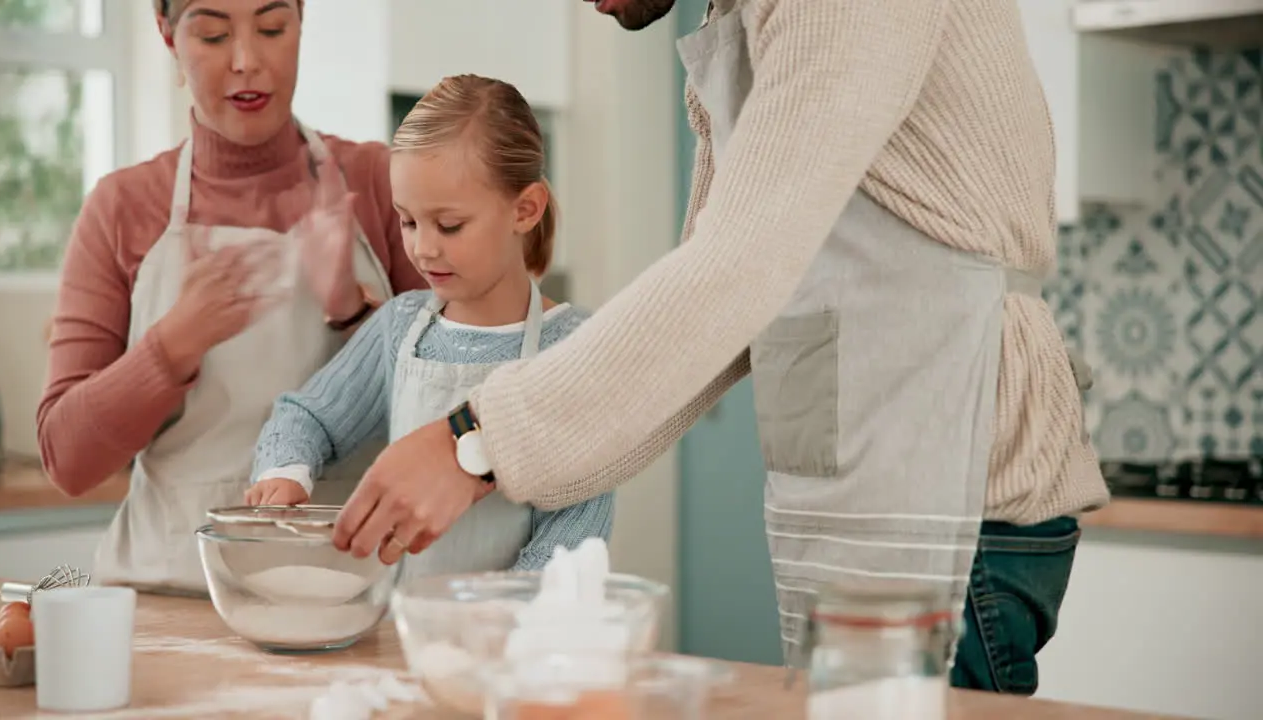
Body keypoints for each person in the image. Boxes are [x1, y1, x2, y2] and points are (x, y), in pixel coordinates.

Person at [331, 0, 1111, 695]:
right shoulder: (743, 20)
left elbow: (736, 268)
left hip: (954, 470)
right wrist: (492, 453)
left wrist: (474, 443)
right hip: (872, 476)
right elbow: (716, 317)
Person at [37, 0, 425, 596]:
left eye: (271, 28)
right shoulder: (122, 207)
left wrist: (353, 314)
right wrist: (171, 347)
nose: (247, 61)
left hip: (347, 596)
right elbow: (67, 459)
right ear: (167, 35)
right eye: (214, 35)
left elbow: (446, 417)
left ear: (301, 23)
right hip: (167, 598)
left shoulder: (379, 182)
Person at [245, 74, 614, 573]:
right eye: (408, 221)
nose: (423, 248)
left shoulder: (575, 347)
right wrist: (285, 472)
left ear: (524, 210)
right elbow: (308, 416)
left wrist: (510, 615)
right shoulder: (400, 328)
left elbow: (577, 527)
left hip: (515, 634)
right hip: (407, 631)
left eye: (450, 225)